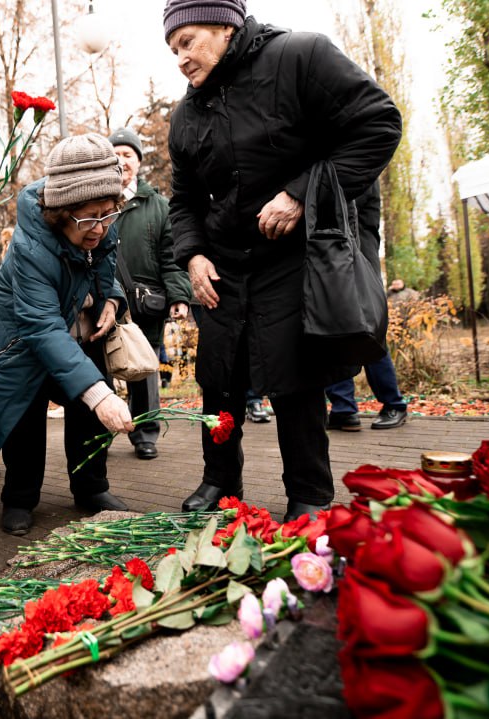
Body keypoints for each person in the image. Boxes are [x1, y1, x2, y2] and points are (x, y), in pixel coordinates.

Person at [162, 0, 402, 519]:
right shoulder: (186, 115)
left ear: (226, 26)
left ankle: (310, 494)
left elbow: (378, 124)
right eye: (172, 48)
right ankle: (220, 483)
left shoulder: (300, 56)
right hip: (225, 261)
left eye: (188, 41)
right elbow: (183, 201)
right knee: (218, 375)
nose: (179, 58)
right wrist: (194, 255)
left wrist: (300, 195)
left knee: (295, 375)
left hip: (296, 250)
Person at [0, 133, 136, 536]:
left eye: (108, 214)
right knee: (24, 407)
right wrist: (101, 397)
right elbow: (41, 327)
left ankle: (91, 488)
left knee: (91, 397)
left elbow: (100, 268)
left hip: (73, 321)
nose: (99, 227)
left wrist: (111, 299)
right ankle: (19, 498)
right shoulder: (31, 245)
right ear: (61, 212)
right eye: (88, 217)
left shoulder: (102, 225)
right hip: (16, 332)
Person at [107, 128, 192, 460]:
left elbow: (172, 257)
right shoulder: (97, 200)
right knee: (98, 369)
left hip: (146, 303)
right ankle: (99, 431)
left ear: (138, 163)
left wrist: (180, 297)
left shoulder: (158, 206)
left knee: (143, 371)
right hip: (102, 301)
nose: (121, 160)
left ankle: (145, 433)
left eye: (128, 154)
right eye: (115, 153)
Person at [325, 186, 408, 431]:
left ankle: (394, 404)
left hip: (360, 259)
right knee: (334, 330)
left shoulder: (359, 169)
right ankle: (343, 409)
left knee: (368, 335)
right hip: (337, 260)